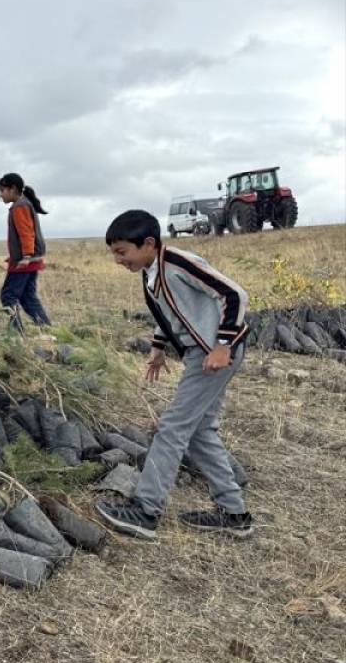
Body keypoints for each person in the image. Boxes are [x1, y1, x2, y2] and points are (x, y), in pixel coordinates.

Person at [97, 209, 252, 540]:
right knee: (199, 432)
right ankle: (234, 513)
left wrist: (222, 345)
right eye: (114, 253)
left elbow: (234, 294)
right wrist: (157, 349)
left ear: (148, 243)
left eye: (122, 252)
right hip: (203, 353)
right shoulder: (151, 272)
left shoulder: (178, 262)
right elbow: (169, 314)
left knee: (172, 428)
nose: (117, 260)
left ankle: (145, 510)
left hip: (213, 355)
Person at [0, 173, 50, 330]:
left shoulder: (20, 206)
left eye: (2, 191)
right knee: (27, 297)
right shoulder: (24, 204)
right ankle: (47, 328)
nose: (1, 195)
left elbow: (26, 233)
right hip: (31, 259)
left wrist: (26, 255)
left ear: (12, 189)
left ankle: (16, 331)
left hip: (26, 261)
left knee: (8, 295)